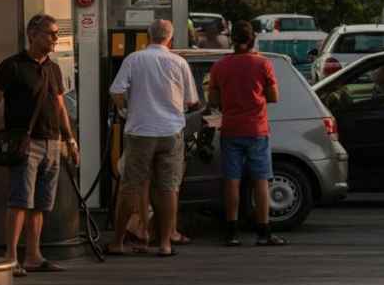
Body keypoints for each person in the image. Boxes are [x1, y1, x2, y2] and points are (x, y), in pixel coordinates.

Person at [0, 13, 78, 277]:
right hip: (25, 143)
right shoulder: (12, 66)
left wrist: (69, 139)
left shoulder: (53, 68)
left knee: (41, 205)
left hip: (52, 142)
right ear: (32, 34)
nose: (55, 38)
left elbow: (59, 105)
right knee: (20, 201)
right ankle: (11, 256)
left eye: (57, 34)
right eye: (50, 33)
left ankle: (33, 255)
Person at [108, 19, 200, 257]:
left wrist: (125, 109)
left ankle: (118, 241)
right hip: (170, 132)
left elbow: (117, 91)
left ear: (148, 36)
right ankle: (165, 243)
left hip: (140, 131)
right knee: (168, 187)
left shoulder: (134, 59)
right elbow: (191, 101)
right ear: (170, 38)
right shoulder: (179, 62)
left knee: (130, 186)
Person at [208, 20, 286, 247]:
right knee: (261, 181)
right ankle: (263, 231)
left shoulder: (220, 66)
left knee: (232, 181)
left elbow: (213, 100)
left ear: (232, 40)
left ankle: (232, 232)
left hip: (231, 129)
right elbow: (273, 97)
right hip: (257, 129)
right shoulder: (263, 64)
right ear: (253, 39)